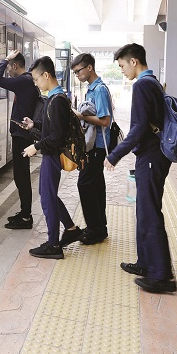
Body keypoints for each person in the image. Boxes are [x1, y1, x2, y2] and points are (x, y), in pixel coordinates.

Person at [103, 43, 176, 294]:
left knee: (150, 212)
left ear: (134, 61)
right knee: (144, 210)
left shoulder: (142, 85)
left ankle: (161, 275)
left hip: (151, 156)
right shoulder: (153, 82)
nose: (122, 70)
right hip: (152, 155)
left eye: (122, 65)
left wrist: (115, 155)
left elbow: (139, 128)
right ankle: (145, 262)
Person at [22, 56, 83, 260]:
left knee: (48, 199)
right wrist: (35, 126)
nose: (36, 83)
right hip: (51, 154)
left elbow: (56, 137)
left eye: (36, 79)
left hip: (52, 156)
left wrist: (35, 146)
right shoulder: (56, 98)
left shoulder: (56, 101)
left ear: (46, 75)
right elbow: (53, 129)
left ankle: (54, 244)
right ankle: (71, 229)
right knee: (47, 194)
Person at [0, 50, 40, 230]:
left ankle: (26, 217)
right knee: (21, 176)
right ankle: (24, 212)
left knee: (22, 176)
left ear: (15, 65)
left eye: (9, 68)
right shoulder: (27, 81)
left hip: (22, 135)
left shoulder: (23, 80)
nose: (8, 72)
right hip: (22, 134)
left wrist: (5, 59)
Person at [70, 53, 112, 245]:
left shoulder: (99, 90)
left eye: (78, 71)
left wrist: (81, 116)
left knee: (85, 184)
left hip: (98, 146)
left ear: (89, 68)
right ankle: (99, 227)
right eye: (75, 72)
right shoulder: (92, 88)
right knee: (96, 185)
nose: (77, 75)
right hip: (94, 145)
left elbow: (105, 120)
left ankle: (95, 229)